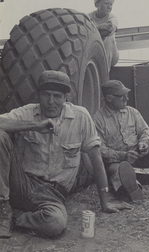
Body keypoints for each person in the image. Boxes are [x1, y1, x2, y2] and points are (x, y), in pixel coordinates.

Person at [0, 71, 131, 239]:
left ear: (66, 98)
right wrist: (34, 125)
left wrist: (105, 201)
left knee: (55, 223)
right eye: (46, 95)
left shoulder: (81, 117)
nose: (51, 101)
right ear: (38, 95)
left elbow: (96, 160)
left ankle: (16, 217)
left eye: (57, 96)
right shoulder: (28, 113)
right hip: (22, 182)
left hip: (53, 193)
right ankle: (3, 210)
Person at [88, 0, 119, 69]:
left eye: (111, 4)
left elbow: (110, 29)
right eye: (106, 4)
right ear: (97, 4)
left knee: (109, 36)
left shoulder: (112, 18)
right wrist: (99, 27)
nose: (109, 7)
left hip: (111, 56)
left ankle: (105, 71)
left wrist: (94, 28)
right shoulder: (88, 17)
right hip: (94, 52)